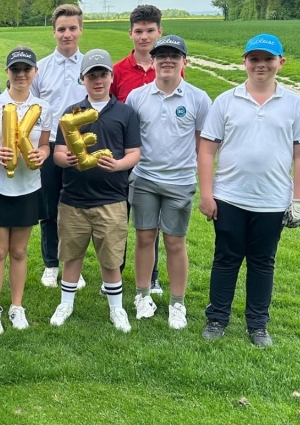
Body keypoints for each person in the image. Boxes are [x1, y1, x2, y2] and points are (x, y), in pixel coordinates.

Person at [198, 34, 300, 347]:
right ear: (245, 62)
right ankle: (217, 318)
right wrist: (206, 194)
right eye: (254, 59)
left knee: (263, 262)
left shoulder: (294, 104)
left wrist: (298, 200)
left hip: (272, 200)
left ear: (280, 62)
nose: (261, 65)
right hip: (230, 197)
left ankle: (258, 325)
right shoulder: (226, 100)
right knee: (226, 257)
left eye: (268, 59)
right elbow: (207, 150)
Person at [49, 49, 141, 332]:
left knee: (111, 257)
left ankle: (117, 309)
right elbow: (58, 153)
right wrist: (65, 158)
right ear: (83, 79)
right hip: (74, 198)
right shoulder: (71, 113)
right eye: (92, 76)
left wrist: (119, 165)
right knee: (71, 254)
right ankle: (66, 303)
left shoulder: (125, 113)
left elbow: (134, 152)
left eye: (102, 74)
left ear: (111, 78)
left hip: (112, 198)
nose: (97, 80)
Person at [125, 35, 211, 329]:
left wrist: (206, 186)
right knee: (144, 238)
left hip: (180, 181)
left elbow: (204, 147)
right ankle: (142, 295)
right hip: (145, 178)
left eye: (174, 55)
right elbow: (131, 142)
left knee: (175, 242)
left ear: (184, 62)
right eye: (161, 55)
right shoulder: (137, 97)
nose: (167, 60)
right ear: (153, 60)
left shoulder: (198, 98)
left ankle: (177, 303)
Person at [0, 47, 51, 333]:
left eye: (26, 69)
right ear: (7, 72)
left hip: (28, 186)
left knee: (19, 251)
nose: (21, 74)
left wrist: (43, 154)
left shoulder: (43, 108)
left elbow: (44, 145)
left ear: (34, 72)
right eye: (15, 69)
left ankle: (17, 306)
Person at [111, 4, 172, 295]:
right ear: (130, 34)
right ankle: (116, 275)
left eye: (150, 31)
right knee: (119, 219)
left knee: (152, 225)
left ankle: (153, 277)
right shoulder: (118, 71)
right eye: (139, 31)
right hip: (123, 159)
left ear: (159, 32)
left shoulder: (172, 68)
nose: (144, 36)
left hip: (156, 161)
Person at [30, 4, 87, 289]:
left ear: (81, 29)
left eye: (72, 28)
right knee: (50, 207)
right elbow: (33, 109)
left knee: (78, 208)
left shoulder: (90, 65)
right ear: (54, 32)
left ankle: (74, 263)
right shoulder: (41, 68)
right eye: (61, 29)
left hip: (83, 146)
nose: (67, 34)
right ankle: (51, 263)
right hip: (51, 145)